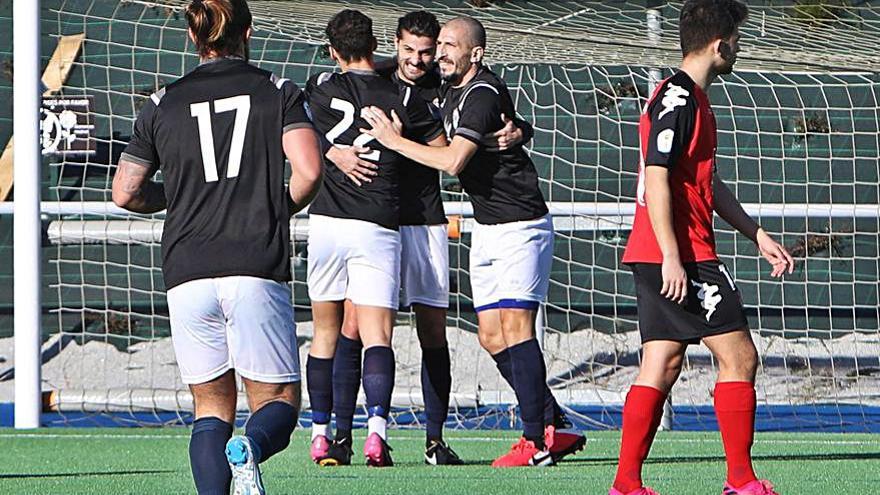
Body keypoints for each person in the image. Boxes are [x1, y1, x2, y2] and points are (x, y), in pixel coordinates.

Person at [112, 0, 322, 493]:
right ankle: (250, 450)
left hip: (186, 269)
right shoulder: (276, 90)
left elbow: (124, 191)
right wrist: (274, 207)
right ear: (248, 31)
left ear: (192, 37)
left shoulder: (163, 101)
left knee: (210, 408)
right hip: (252, 262)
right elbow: (310, 171)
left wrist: (179, 197)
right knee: (279, 403)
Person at [361, 15, 585, 467]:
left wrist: (393, 140)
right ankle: (552, 422)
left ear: (475, 54)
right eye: (438, 44)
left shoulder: (481, 93)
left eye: (450, 46)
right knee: (489, 335)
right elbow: (398, 67)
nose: (439, 53)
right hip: (487, 226)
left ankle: (534, 440)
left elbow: (453, 162)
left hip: (520, 226)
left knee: (517, 328)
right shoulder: (449, 87)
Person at [321, 9, 533, 467]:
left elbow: (494, 110)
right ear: (393, 46)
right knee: (354, 325)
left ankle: (435, 440)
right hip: (374, 222)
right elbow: (312, 115)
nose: (418, 61)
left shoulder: (446, 85)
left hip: (424, 220)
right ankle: (341, 436)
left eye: (427, 52)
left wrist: (522, 128)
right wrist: (330, 152)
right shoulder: (370, 79)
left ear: (438, 49)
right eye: (409, 51)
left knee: (432, 329)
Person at [609, 2, 794, 494]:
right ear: (720, 44)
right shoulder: (678, 97)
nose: (739, 48)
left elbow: (704, 186)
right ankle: (741, 481)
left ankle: (626, 484)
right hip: (680, 254)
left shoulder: (693, 98)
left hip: (663, 251)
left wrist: (755, 233)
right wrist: (673, 254)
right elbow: (657, 174)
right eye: (737, 40)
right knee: (740, 358)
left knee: (662, 362)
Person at [303, 9, 446, 468]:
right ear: (380, 45)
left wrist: (330, 152)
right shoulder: (402, 96)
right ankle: (376, 434)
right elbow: (445, 152)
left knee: (325, 333)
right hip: (379, 225)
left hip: (326, 222)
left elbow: (289, 124)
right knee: (377, 334)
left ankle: (321, 435)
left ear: (332, 51)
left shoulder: (320, 88)